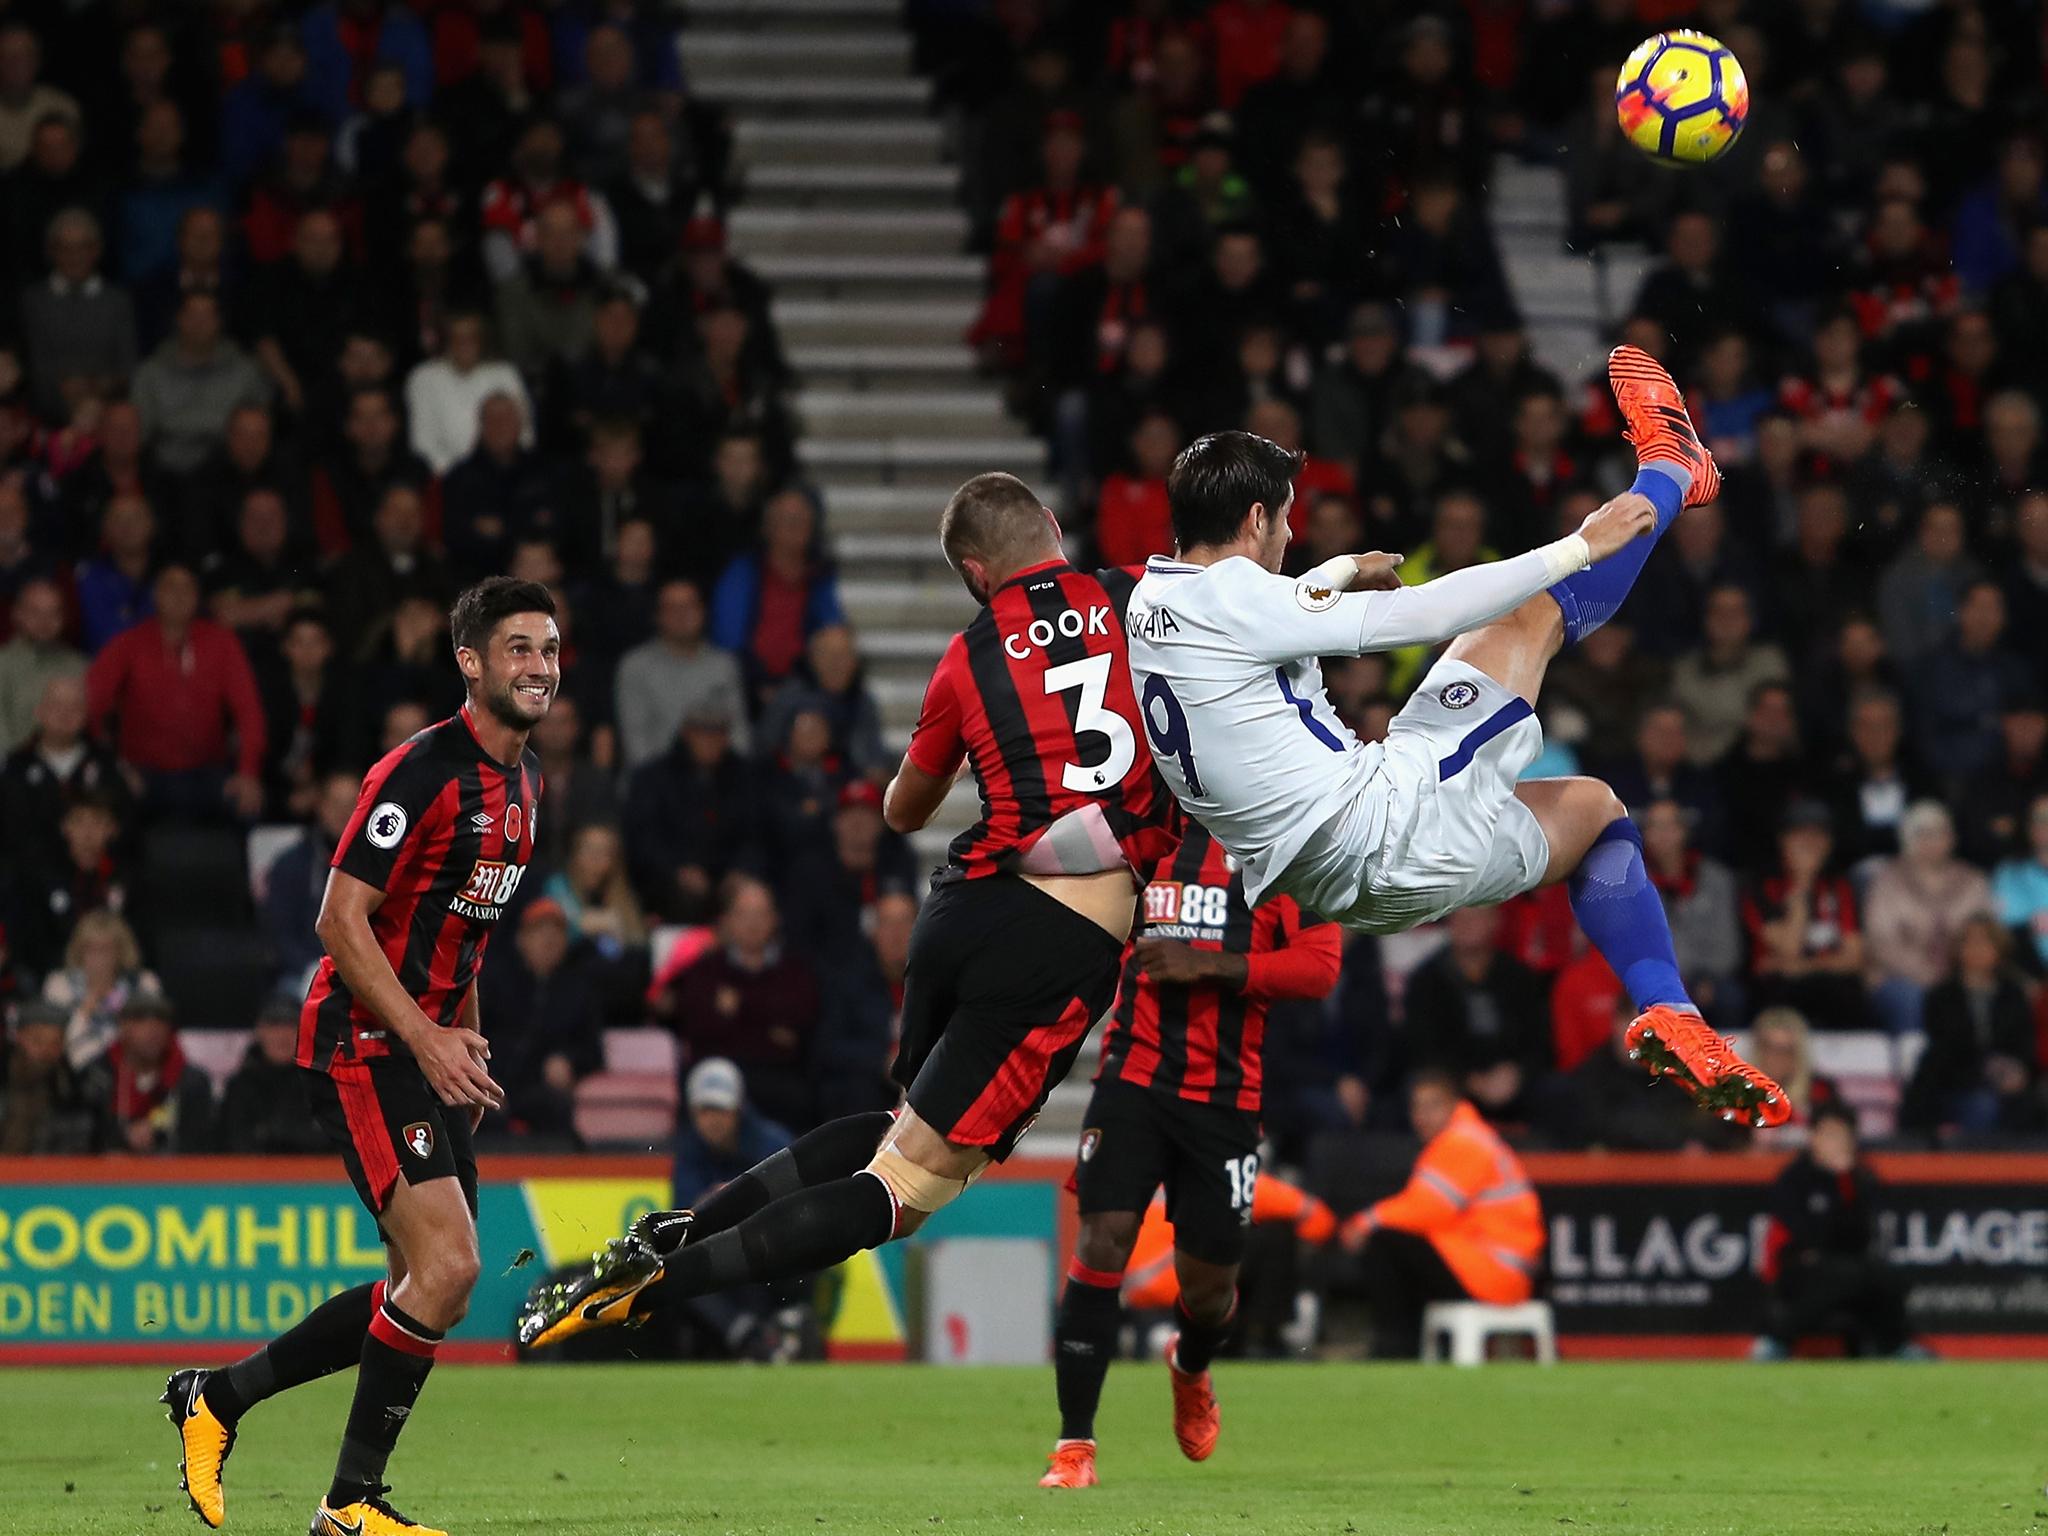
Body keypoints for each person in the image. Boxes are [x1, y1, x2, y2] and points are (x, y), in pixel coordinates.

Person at [518, 470, 1178, 1354]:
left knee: (897, 1131)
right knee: (907, 1192)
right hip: (1059, 937)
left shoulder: (966, 656)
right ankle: (662, 1286)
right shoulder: (1137, 595)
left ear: (977, 576)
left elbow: (901, 811)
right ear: (1053, 525)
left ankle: (683, 1230)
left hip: (961, 905)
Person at [1123, 350, 1787, 1126]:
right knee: (1524, 614)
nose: (1292, 531)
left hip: (1340, 886)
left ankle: (1673, 1016)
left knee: (1596, 811)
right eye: (1287, 516)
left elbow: (1249, 613)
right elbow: (1430, 615)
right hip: (1386, 822)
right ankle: (1672, 473)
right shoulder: (1238, 595)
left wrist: (1335, 571)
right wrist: (1579, 544)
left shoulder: (1151, 601)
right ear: (1255, 520)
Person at [161, 576, 557, 1536]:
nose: (540, 667)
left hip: (425, 1051)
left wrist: (462, 1034)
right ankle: (349, 1507)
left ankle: (218, 1398)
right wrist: (423, 1035)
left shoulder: (527, 783)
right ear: (469, 662)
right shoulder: (419, 773)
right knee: (454, 1269)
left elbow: (465, 928)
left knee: (422, 1287)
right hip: (361, 1041)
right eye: (518, 649)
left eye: (548, 649)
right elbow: (339, 920)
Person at [1041, 818, 1339, 1489]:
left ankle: (1191, 1367)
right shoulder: (1143, 835)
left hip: (1225, 1098)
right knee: (1102, 1237)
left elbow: (1320, 967)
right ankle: (1074, 1447)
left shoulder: (1285, 844)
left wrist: (1214, 964)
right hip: (1133, 1077)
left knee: (1207, 1294)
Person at [1339, 1072, 1544, 1358]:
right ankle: (1412, 1346)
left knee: (1385, 1241)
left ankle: (1394, 1349)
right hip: (1489, 1264)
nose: (1422, 1116)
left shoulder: (1463, 1141)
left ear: (1455, 1105)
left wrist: (1365, 1221)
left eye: (1433, 1106)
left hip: (1495, 1272)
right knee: (1402, 1244)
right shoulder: (1465, 1138)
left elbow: (1426, 1209)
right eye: (1417, 1107)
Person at [1754, 1105, 1919, 1361]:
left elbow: (1862, 1233)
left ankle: (1894, 1347)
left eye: (1842, 1136)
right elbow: (1806, 1235)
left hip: (1849, 1264)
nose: (1836, 1144)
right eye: (1829, 1135)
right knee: (1842, 1275)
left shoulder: (1861, 1178)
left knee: (1883, 1276)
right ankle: (1775, 1342)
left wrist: (1845, 1182)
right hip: (1798, 1267)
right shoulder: (1793, 1179)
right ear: (1813, 1137)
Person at [80, 988, 212, 1154]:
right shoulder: (98, 1075)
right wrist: (122, 1138)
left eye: (161, 1023)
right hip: (108, 1173)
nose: (153, 1031)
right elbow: (86, 1135)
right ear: (123, 1027)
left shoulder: (190, 1081)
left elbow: (198, 1142)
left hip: (173, 1174)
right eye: (141, 1022)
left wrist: (157, 1131)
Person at [218, 996, 330, 1154]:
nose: (281, 1035)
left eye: (290, 1026)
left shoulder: (322, 1084)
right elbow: (229, 1143)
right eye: (273, 1026)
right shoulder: (239, 1086)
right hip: (250, 1175)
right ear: (259, 1031)